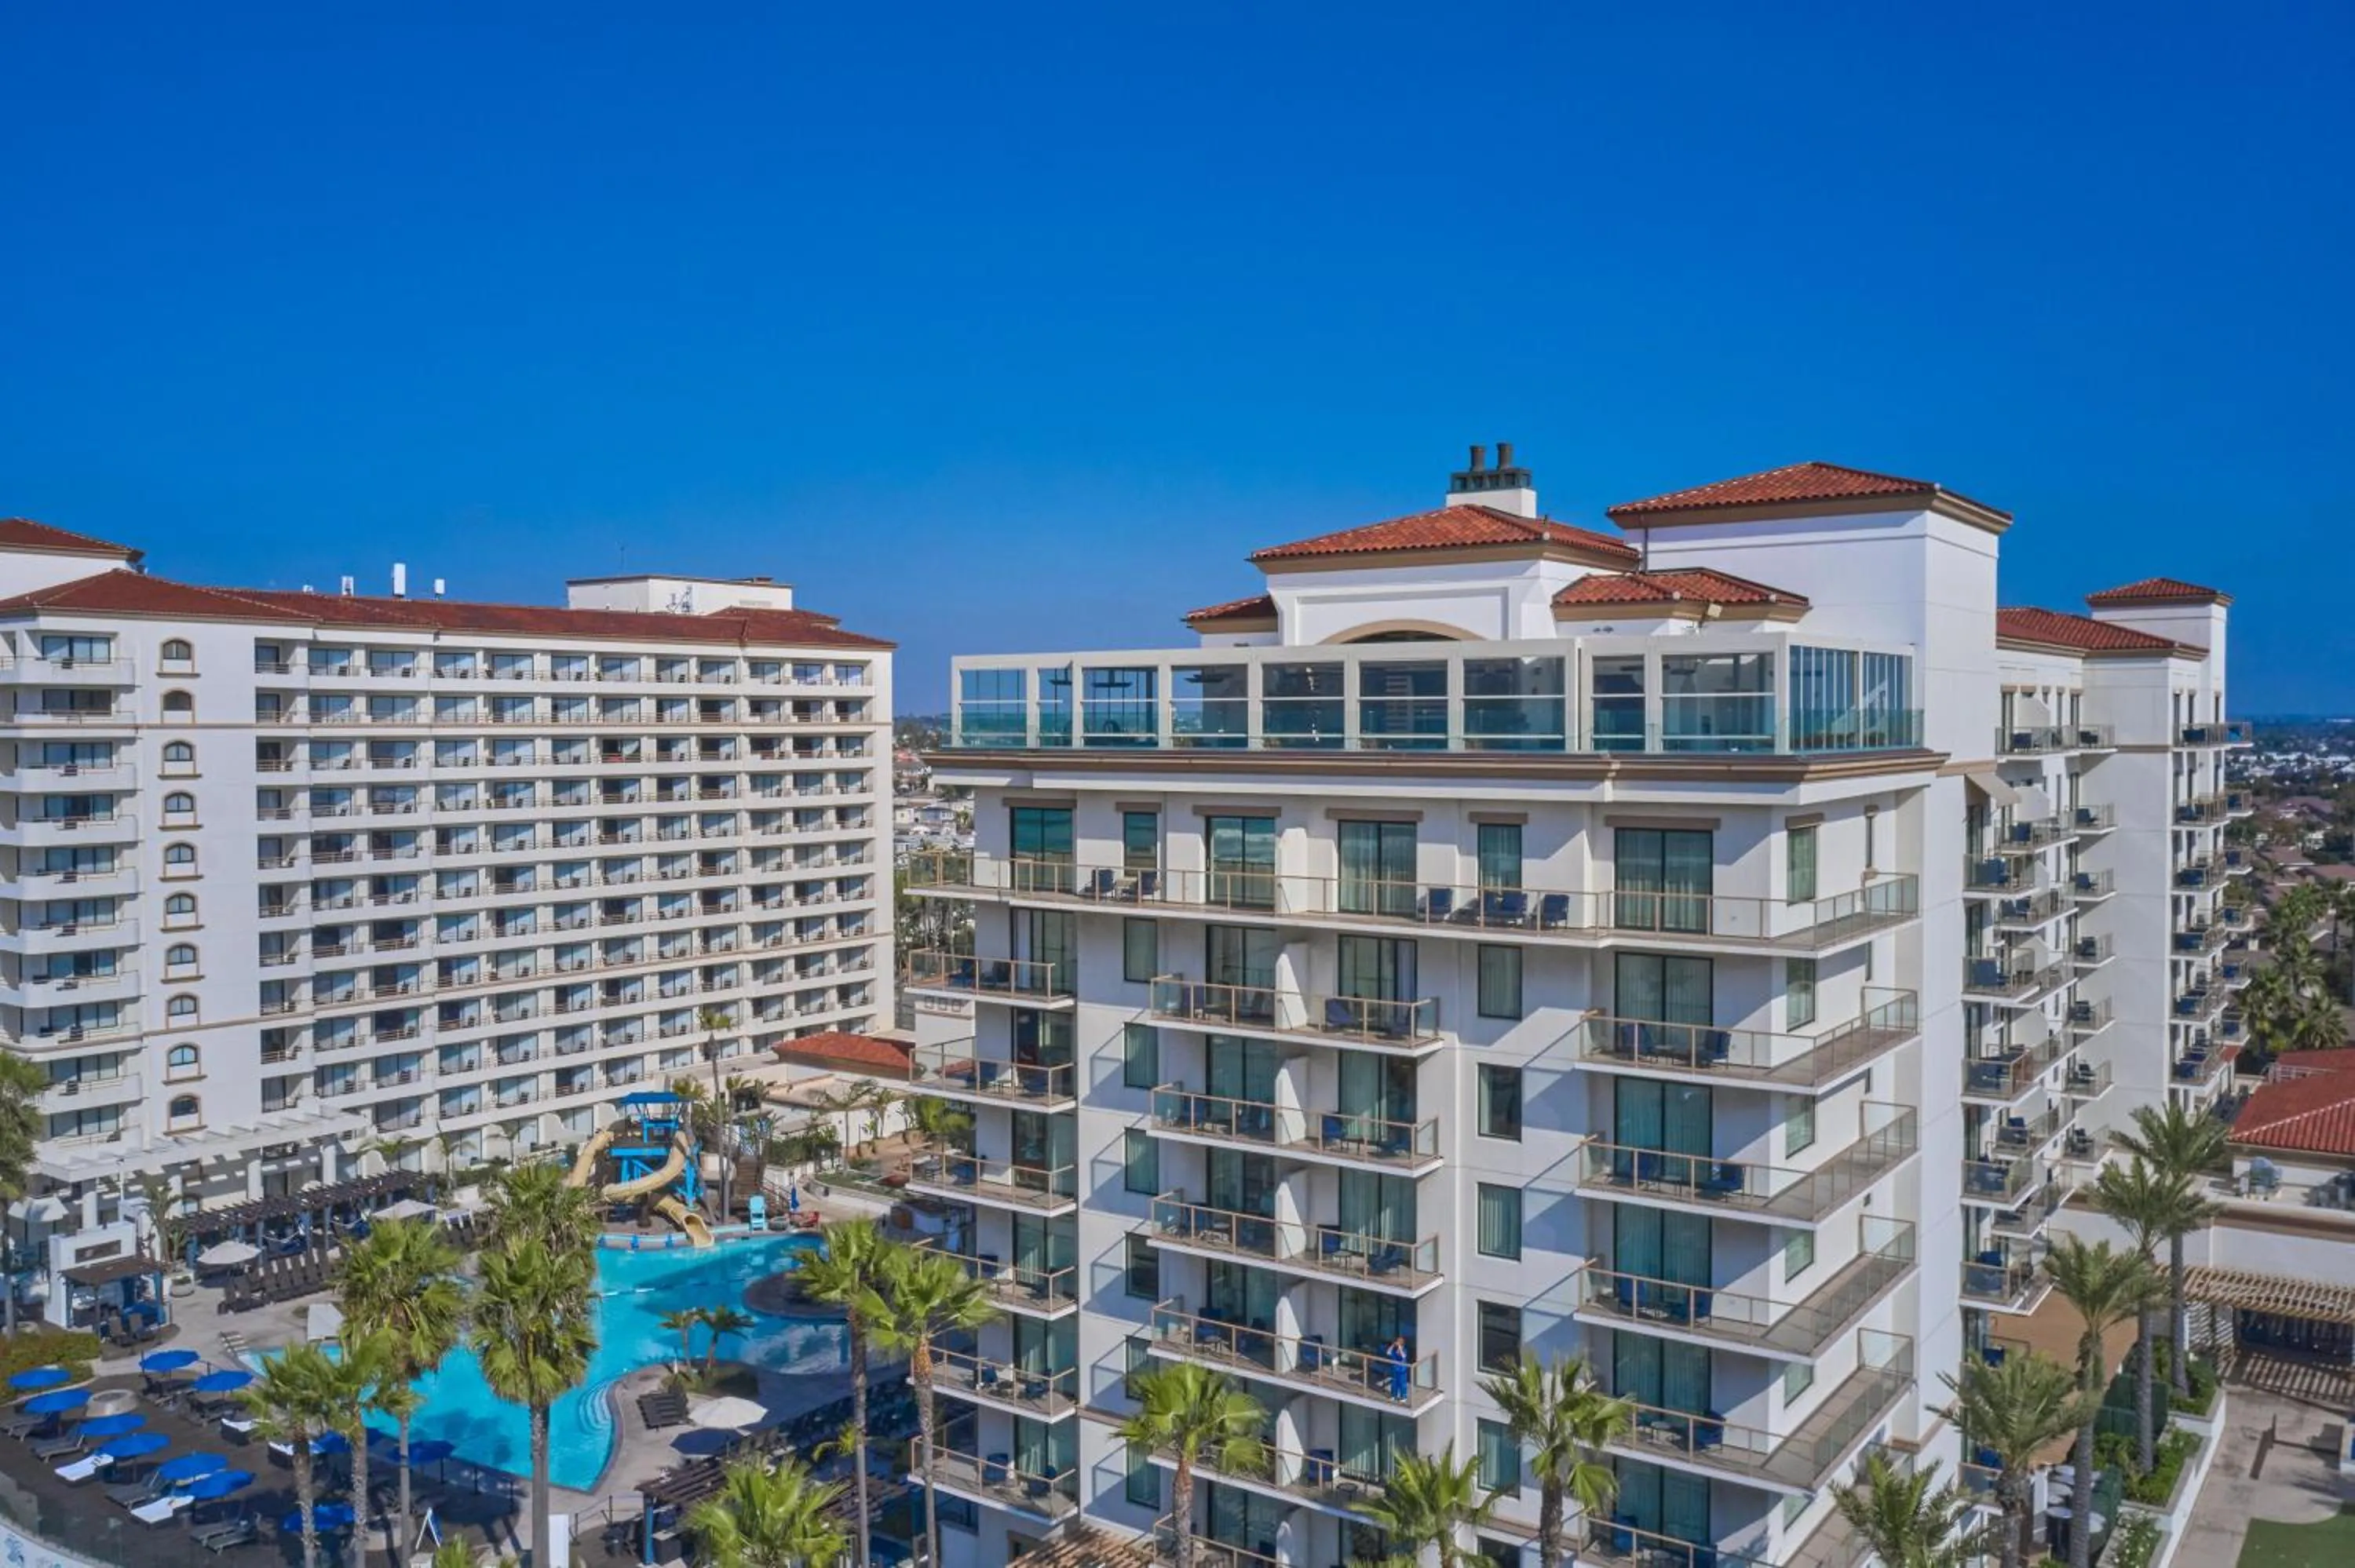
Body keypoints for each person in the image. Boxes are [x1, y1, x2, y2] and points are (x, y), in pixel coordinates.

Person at [1382, 1333, 1410, 1402]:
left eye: (1399, 1342)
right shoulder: (1394, 1350)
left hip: (1402, 1370)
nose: (1397, 1343)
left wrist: (1400, 1348)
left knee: (1402, 1384)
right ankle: (1393, 1395)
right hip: (1395, 1369)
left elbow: (1403, 1356)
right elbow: (1388, 1353)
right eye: (1397, 1341)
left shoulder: (1404, 1350)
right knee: (1394, 1383)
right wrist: (1392, 1345)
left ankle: (1403, 1397)